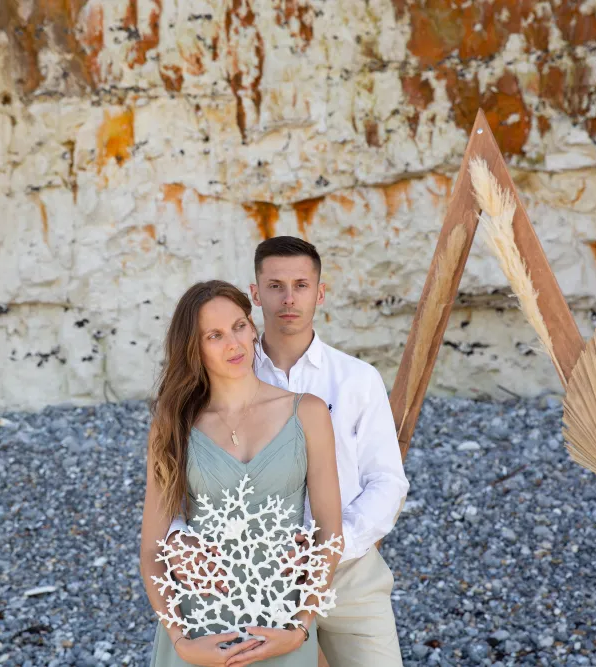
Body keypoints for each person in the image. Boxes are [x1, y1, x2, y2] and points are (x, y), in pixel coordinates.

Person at [166, 238, 410, 666]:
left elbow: (387, 481)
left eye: (301, 285)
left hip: (348, 574)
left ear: (320, 292)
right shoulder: (227, 367)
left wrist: (327, 549)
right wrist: (177, 535)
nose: (289, 299)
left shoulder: (357, 379)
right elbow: (186, 467)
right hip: (248, 577)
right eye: (275, 286)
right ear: (255, 294)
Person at [140, 280, 343, 667]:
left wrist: (301, 628)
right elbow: (151, 549)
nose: (233, 343)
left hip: (282, 620)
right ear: (194, 349)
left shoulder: (308, 412)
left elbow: (329, 533)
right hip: (201, 626)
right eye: (214, 335)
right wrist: (181, 641)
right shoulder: (173, 425)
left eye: (238, 326)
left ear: (252, 328)